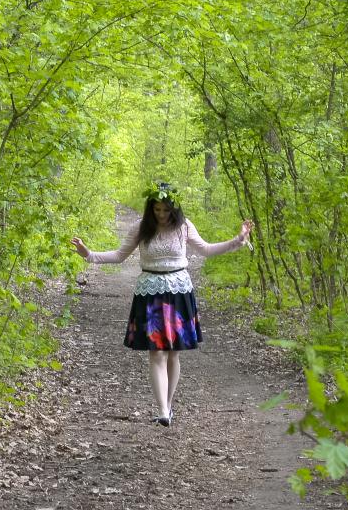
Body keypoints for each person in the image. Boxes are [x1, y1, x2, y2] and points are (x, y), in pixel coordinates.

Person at [69, 182, 253, 427]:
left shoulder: (184, 227)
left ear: (174, 208)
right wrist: (89, 254)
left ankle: (168, 405)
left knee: (174, 354)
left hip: (179, 292)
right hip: (151, 293)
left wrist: (237, 240)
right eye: (157, 210)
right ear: (150, 208)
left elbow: (207, 250)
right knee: (157, 352)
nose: (162, 215)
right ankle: (163, 410)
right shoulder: (141, 228)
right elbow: (119, 255)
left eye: (166, 210)